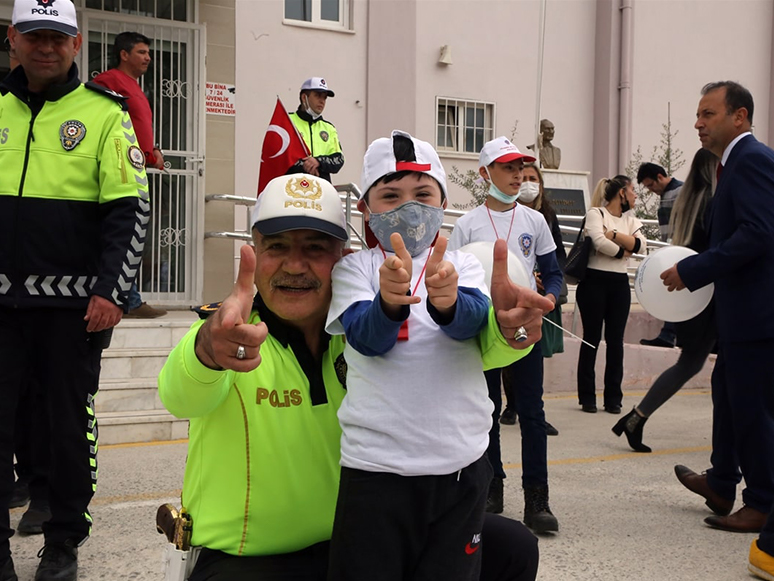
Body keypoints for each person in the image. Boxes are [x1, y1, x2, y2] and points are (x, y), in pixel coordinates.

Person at [158, 172, 544, 581]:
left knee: (513, 549)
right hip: (251, 559)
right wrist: (206, 350)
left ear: (342, 257)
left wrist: (510, 329)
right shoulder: (232, 333)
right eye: (276, 247)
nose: (294, 264)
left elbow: (481, 348)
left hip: (365, 532)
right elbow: (179, 396)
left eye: (314, 247)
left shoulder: (367, 327)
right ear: (253, 251)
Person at [325, 131, 550, 579]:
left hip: (462, 470)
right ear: (365, 210)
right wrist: (388, 302)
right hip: (376, 471)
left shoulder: (461, 263)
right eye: (390, 195)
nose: (408, 205)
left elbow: (472, 321)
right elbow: (365, 337)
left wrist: (447, 301)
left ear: (443, 203)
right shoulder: (355, 269)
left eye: (422, 193)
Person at [1, 0, 150, 578]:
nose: (45, 47)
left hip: (70, 307)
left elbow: (130, 211)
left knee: (66, 426)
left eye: (57, 38)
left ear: (76, 43)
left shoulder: (106, 114)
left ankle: (62, 543)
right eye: (34, 36)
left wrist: (113, 292)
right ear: (13, 38)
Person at [662, 81, 774, 533]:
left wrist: (695, 270)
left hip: (758, 315)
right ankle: (722, 482)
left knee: (753, 409)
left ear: (739, 117)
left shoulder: (751, 161)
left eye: (708, 114)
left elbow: (759, 233)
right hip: (740, 314)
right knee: (729, 398)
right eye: (699, 114)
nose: (698, 123)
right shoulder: (733, 164)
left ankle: (763, 503)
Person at [449, 137, 563, 532]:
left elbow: (554, 272)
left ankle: (538, 497)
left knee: (532, 411)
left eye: (521, 168)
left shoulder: (535, 221)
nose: (517, 175)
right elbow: (455, 278)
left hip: (525, 327)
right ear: (485, 173)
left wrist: (547, 297)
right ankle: (491, 486)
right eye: (508, 167)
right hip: (482, 329)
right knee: (487, 411)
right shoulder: (466, 225)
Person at [612, 149, 718, 452]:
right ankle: (637, 418)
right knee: (708, 365)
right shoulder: (711, 203)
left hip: (691, 297)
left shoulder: (683, 203)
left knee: (690, 363)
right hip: (710, 297)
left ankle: (637, 417)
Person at [93, 31, 167, 319]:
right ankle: (129, 299)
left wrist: (152, 151)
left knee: (134, 234)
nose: (148, 57)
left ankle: (130, 298)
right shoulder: (108, 81)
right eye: (141, 52)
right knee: (124, 233)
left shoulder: (135, 87)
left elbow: (136, 128)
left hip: (138, 167)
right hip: (118, 171)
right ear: (124, 54)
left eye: (148, 52)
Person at [500, 162, 566, 436]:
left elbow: (556, 255)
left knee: (532, 352)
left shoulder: (544, 216)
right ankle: (511, 405)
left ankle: (533, 411)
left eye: (532, 178)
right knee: (506, 355)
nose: (525, 182)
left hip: (537, 299)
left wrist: (545, 283)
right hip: (507, 298)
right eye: (522, 176)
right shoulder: (501, 215)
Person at [576, 176, 647, 414]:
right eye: (632, 190)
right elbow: (597, 241)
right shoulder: (596, 213)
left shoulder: (631, 219)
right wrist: (623, 252)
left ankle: (613, 398)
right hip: (594, 281)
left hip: (619, 284)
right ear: (621, 193)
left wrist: (614, 236)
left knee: (616, 341)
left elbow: (641, 246)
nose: (636, 195)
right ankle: (587, 397)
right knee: (591, 339)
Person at [637, 161, 683, 348]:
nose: (651, 190)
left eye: (651, 185)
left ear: (660, 177)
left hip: (679, 250)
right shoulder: (666, 195)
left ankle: (669, 334)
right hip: (669, 250)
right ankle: (669, 334)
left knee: (674, 294)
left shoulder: (681, 192)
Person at [287, 77, 344, 183]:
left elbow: (339, 160)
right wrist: (305, 165)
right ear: (304, 97)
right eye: (317, 95)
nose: (322, 101)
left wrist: (318, 161)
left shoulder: (329, 128)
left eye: (324, 97)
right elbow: (279, 155)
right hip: (291, 189)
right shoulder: (288, 121)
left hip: (321, 191)